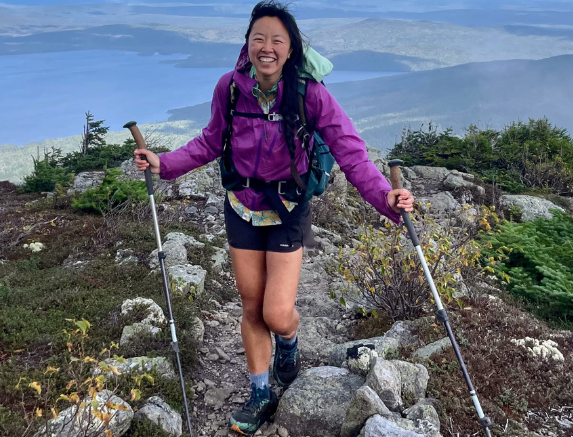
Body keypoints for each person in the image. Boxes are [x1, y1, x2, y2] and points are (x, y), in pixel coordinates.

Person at [134, 1, 415, 434]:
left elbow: (351, 152)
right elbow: (210, 142)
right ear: (248, 45)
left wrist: (386, 197)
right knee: (251, 307)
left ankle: (289, 341)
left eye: (276, 40)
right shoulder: (230, 88)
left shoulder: (310, 94)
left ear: (290, 49)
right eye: (258, 38)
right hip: (242, 208)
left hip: (287, 209)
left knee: (277, 312)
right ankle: (261, 393)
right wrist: (162, 164)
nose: (267, 47)